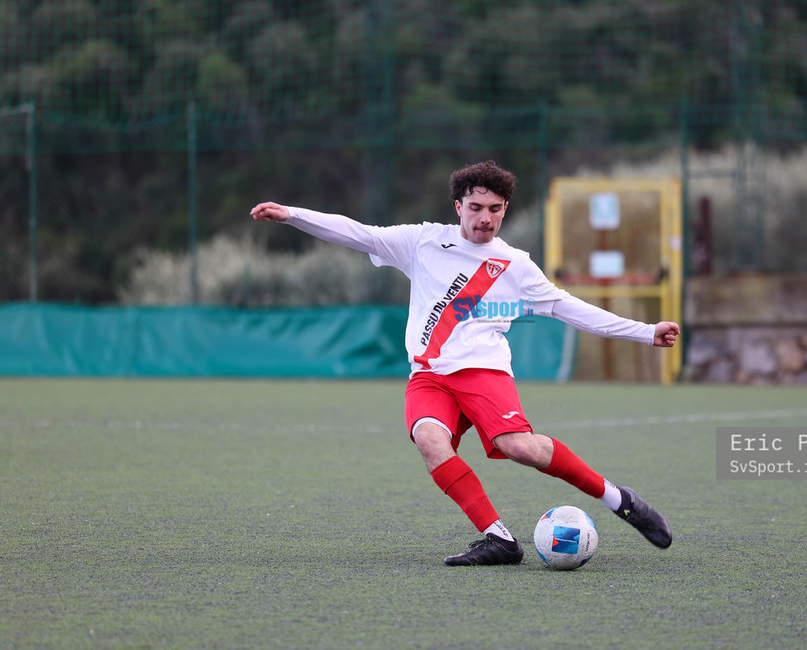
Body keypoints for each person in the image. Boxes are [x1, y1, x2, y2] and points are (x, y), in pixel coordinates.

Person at [250, 160, 680, 566]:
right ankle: (500, 539)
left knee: (519, 448)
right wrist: (292, 215)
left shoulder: (514, 265)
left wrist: (645, 331)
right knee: (429, 440)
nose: (485, 218)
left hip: (483, 371)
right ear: (458, 207)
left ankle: (619, 500)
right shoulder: (422, 242)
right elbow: (358, 233)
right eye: (475, 208)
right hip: (429, 376)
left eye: (495, 209)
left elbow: (572, 309)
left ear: (505, 209)